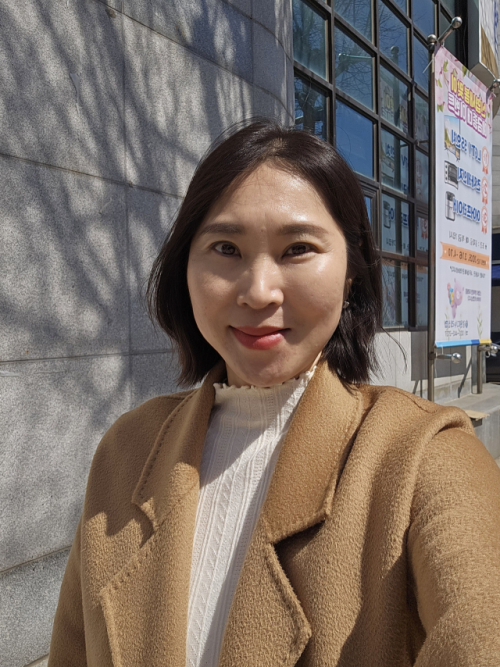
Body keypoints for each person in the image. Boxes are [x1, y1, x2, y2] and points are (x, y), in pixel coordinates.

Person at [48, 120, 500, 667]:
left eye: (297, 249)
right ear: (185, 267)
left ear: (351, 272)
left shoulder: (423, 456)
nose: (259, 292)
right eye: (226, 248)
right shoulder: (127, 450)